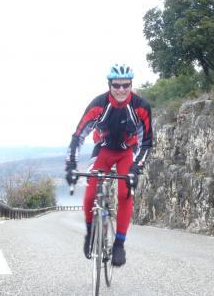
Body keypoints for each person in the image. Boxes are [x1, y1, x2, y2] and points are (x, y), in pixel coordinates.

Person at [65, 63, 153, 267]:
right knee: (89, 196)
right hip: (103, 151)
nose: (121, 89)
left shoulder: (141, 106)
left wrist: (136, 167)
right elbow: (78, 136)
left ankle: (119, 244)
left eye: (126, 85)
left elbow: (146, 141)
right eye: (116, 85)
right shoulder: (98, 104)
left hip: (125, 153)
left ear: (131, 84)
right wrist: (71, 165)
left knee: (125, 193)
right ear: (109, 85)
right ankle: (90, 234)